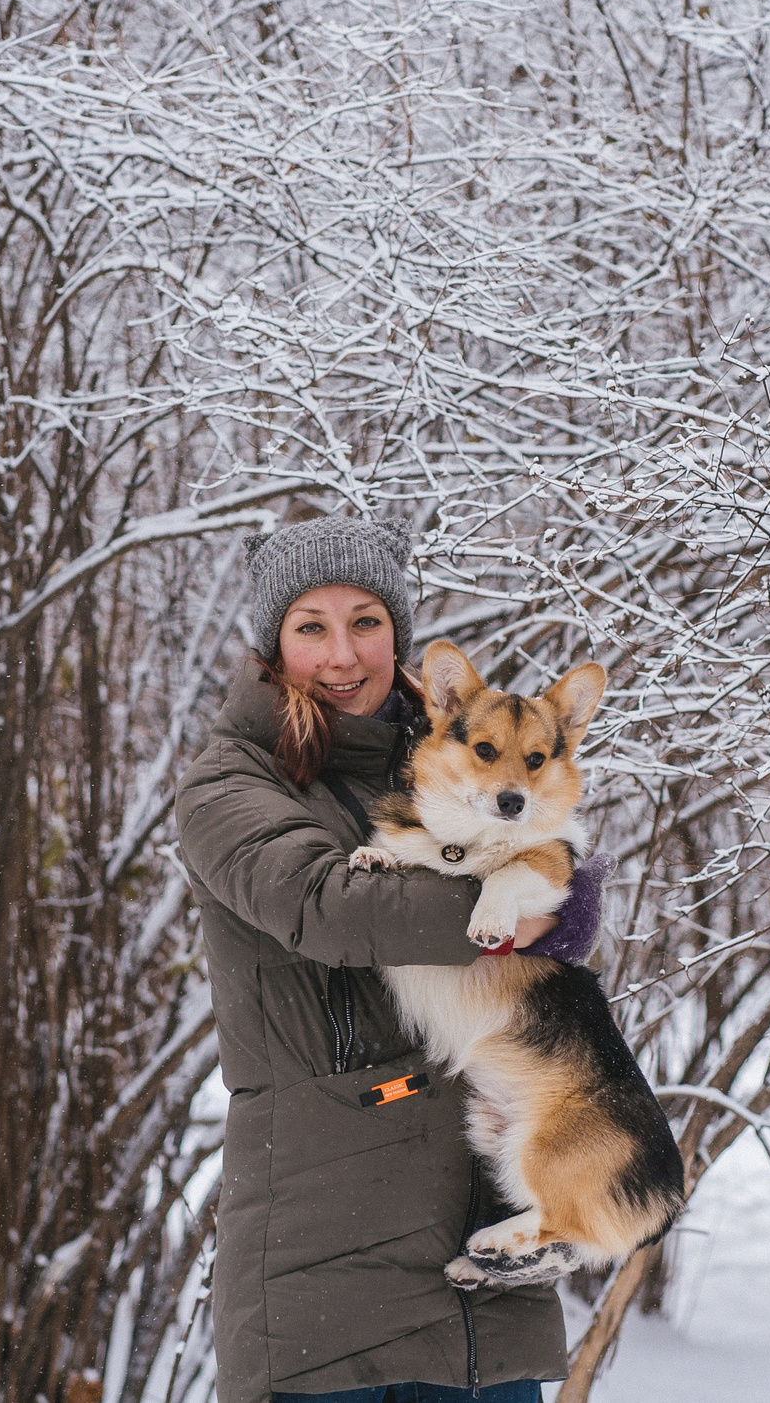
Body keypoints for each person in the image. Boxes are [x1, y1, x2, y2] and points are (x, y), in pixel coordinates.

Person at [175, 515, 606, 1403]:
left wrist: (555, 886)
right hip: (324, 1282)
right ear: (272, 644)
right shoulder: (232, 783)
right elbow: (327, 905)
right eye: (312, 627)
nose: (342, 655)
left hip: (480, 1276)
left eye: (366, 621)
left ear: (399, 634)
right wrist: (528, 899)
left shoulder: (474, 758)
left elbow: (557, 869)